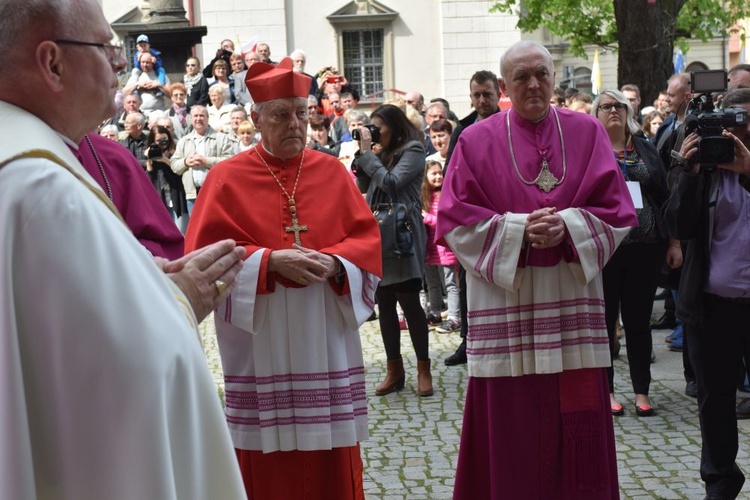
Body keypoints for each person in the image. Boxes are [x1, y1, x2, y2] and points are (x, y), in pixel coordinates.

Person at [0, 0, 248, 498]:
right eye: (105, 47)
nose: (121, 64)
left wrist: (140, 280)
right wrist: (178, 298)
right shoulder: (40, 188)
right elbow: (122, 374)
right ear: (52, 63)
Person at [436, 41, 638, 499]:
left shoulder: (587, 132)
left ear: (554, 78)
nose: (533, 84)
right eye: (521, 77)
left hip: (570, 300)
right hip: (507, 305)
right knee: (512, 426)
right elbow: (454, 221)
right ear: (504, 86)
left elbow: (619, 211)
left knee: (577, 423)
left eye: (541, 74)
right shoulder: (475, 139)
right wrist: (518, 232)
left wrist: (567, 225)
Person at [184, 57, 382, 499]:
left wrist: (336, 264)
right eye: (280, 115)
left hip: (324, 337)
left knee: (332, 460)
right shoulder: (224, 179)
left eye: (301, 113)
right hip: (261, 343)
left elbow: (366, 245)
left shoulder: (332, 172)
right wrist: (269, 262)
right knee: (266, 468)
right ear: (255, 119)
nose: (295, 123)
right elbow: (202, 260)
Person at [666, 87, 750, 500]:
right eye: (736, 119)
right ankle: (720, 482)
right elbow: (678, 225)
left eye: (748, 120)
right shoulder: (705, 166)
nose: (742, 129)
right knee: (715, 402)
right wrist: (686, 169)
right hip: (712, 306)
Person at [591, 90, 674, 417]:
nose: (613, 110)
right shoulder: (590, 150)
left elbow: (664, 192)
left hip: (645, 246)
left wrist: (674, 242)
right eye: (606, 106)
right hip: (606, 250)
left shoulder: (644, 148)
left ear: (628, 112)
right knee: (605, 323)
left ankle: (642, 390)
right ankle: (607, 390)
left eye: (619, 106)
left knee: (639, 322)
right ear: (595, 114)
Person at [351, 104, 433, 398]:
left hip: (403, 234)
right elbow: (363, 183)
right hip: (379, 233)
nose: (375, 132)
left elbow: (392, 182)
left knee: (410, 303)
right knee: (384, 302)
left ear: (394, 126)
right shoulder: (379, 153)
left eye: (378, 127)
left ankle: (424, 368)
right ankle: (394, 370)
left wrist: (369, 158)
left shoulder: (413, 149)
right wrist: (362, 156)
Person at [443, 69, 502, 366]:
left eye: (487, 95)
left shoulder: (509, 124)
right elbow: (449, 174)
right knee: (468, 280)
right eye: (476, 95)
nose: (481, 101)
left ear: (498, 94)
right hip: (472, 217)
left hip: (503, 214)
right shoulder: (462, 130)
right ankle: (469, 341)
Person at [171, 105, 234, 215]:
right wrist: (186, 162)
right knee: (197, 229)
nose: (198, 119)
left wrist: (206, 161)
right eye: (195, 116)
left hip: (215, 193)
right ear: (190, 119)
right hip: (192, 195)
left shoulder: (221, 138)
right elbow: (174, 165)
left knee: (215, 227)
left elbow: (230, 162)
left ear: (207, 118)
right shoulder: (183, 141)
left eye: (202, 115)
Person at [421, 159, 460, 331]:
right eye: (433, 173)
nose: (438, 176)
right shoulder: (424, 197)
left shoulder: (446, 194)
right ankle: (436, 312)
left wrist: (426, 218)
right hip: (430, 250)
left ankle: (454, 317)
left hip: (446, 249)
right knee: (432, 284)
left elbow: (444, 222)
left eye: (440, 173)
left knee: (451, 285)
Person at [145, 125, 189, 233]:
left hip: (176, 195)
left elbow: (179, 171)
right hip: (161, 196)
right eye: (159, 141)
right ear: (153, 141)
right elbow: (149, 181)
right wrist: (149, 163)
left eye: (165, 139)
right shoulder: (151, 153)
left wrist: (165, 160)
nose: (163, 143)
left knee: (181, 230)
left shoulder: (175, 152)